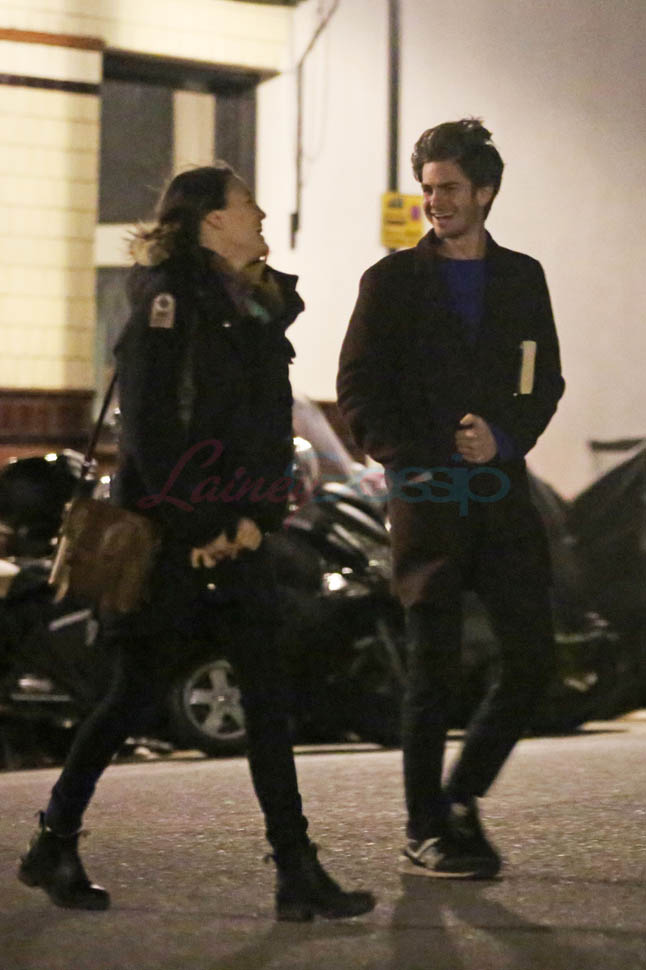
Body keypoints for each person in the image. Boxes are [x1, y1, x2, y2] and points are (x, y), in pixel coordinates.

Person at [18, 164, 375, 921]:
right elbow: (150, 432)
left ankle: (296, 869)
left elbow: (264, 428)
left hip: (237, 535)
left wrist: (256, 519)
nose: (261, 214)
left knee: (269, 699)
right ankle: (55, 839)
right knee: (131, 697)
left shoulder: (255, 306)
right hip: (173, 542)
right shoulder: (168, 303)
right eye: (247, 205)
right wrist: (204, 528)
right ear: (212, 221)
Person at [337, 119, 565, 878]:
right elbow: (357, 389)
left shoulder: (523, 277)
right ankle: (423, 827)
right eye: (428, 188)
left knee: (532, 658)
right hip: (428, 494)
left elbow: (545, 380)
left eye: (450, 188)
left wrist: (505, 438)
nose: (435, 202)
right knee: (431, 670)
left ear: (486, 192)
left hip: (501, 493)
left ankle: (460, 797)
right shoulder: (391, 281)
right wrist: (417, 458)